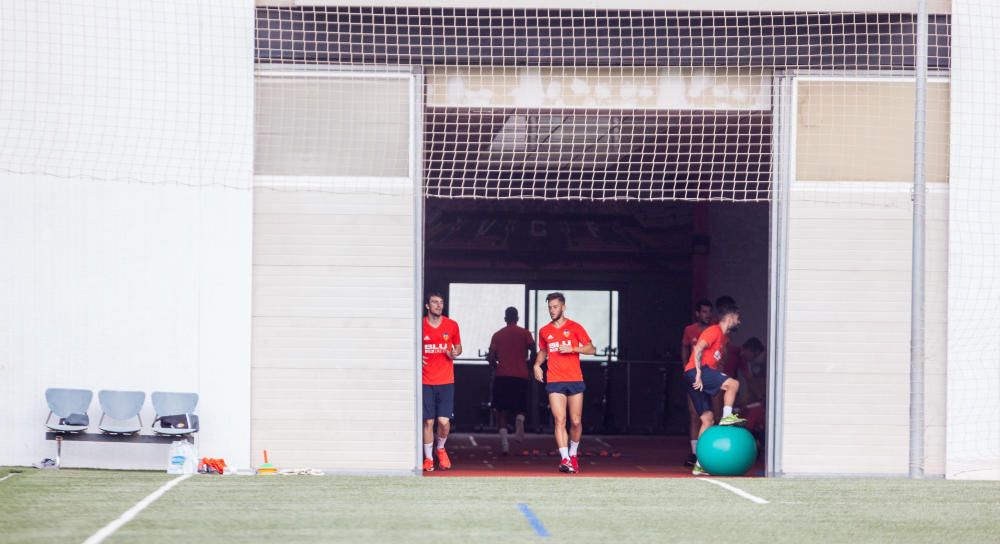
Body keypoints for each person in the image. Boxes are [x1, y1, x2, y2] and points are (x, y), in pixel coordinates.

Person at [534, 292, 596, 474]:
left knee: (576, 421)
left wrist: (573, 348)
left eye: (555, 307)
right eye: (550, 308)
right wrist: (537, 364)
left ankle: (573, 454)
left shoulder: (575, 327)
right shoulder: (545, 330)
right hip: (554, 379)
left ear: (563, 307)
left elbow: (592, 349)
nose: (552, 310)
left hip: (575, 378)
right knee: (559, 419)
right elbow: (543, 351)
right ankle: (565, 459)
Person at [685, 305, 746, 476]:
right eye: (737, 318)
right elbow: (698, 348)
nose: (739, 321)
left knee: (708, 420)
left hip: (695, 373)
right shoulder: (714, 331)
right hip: (697, 371)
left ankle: (699, 463)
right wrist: (698, 373)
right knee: (733, 384)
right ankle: (727, 417)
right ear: (729, 319)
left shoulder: (723, 338)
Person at [486, 307, 537, 455]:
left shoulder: (497, 335)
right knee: (520, 407)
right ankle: (520, 419)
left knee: (501, 411)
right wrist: (529, 365)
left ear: (505, 318)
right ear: (518, 318)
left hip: (502, 376)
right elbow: (534, 350)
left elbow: (490, 358)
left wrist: (497, 366)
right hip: (521, 375)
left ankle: (504, 445)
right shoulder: (525, 333)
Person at [421, 292, 462, 472]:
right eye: (435, 302)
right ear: (427, 306)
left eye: (441, 302)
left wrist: (454, 353)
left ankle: (440, 448)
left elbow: (458, 347)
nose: (439, 305)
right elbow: (410, 347)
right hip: (425, 381)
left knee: (444, 422)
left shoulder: (451, 325)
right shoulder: (419, 325)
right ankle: (428, 459)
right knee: (428, 422)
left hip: (446, 381)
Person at [680, 299, 713, 466]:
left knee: (713, 414)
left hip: (711, 376)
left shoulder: (715, 331)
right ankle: (694, 453)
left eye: (710, 312)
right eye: (704, 312)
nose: (707, 315)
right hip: (694, 375)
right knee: (694, 414)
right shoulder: (690, 330)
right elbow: (684, 347)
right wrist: (686, 365)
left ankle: (711, 451)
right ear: (698, 313)